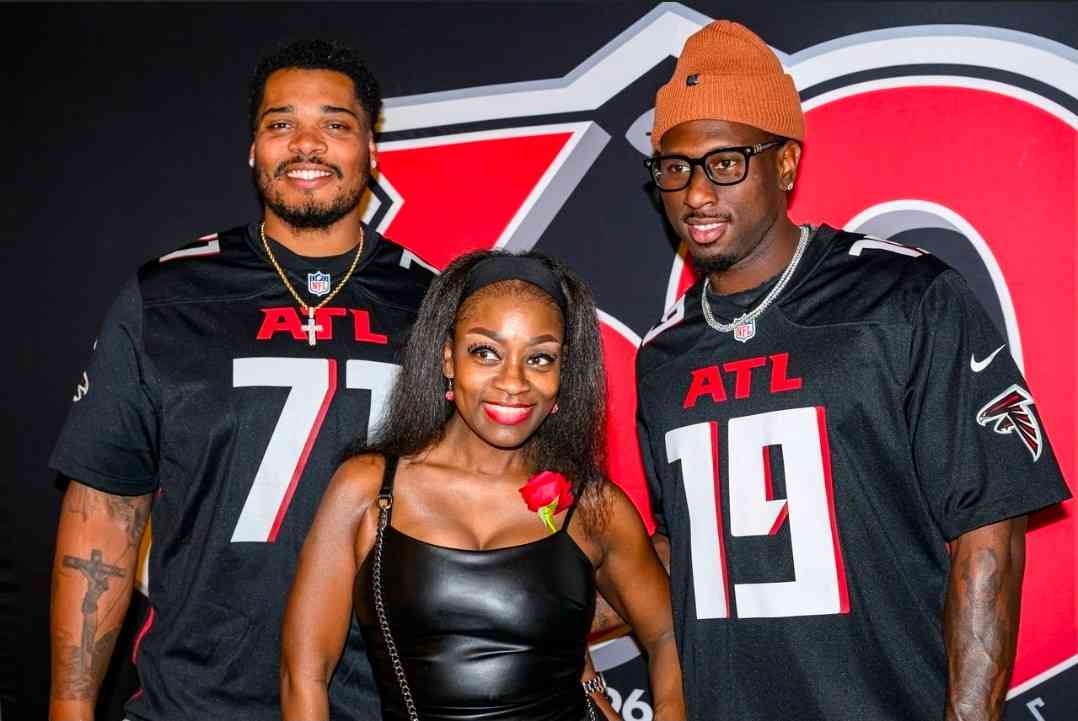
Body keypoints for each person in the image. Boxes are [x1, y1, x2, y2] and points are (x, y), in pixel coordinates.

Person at [634, 19, 1072, 721]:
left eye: (726, 162)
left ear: (785, 164)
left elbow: (988, 532)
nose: (696, 194)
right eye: (675, 167)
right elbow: (676, 551)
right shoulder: (663, 355)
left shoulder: (905, 297)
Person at [48, 39, 434, 721]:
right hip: (193, 703)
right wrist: (69, 709)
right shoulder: (167, 296)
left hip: (377, 703)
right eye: (281, 123)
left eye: (336, 124)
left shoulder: (435, 305)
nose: (307, 144)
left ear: (372, 151)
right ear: (253, 149)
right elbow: (103, 514)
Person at [281, 251, 686, 721]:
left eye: (539, 358)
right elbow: (304, 674)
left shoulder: (593, 506)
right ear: (448, 359)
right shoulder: (369, 490)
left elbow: (668, 634)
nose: (513, 382)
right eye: (485, 352)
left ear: (562, 374)